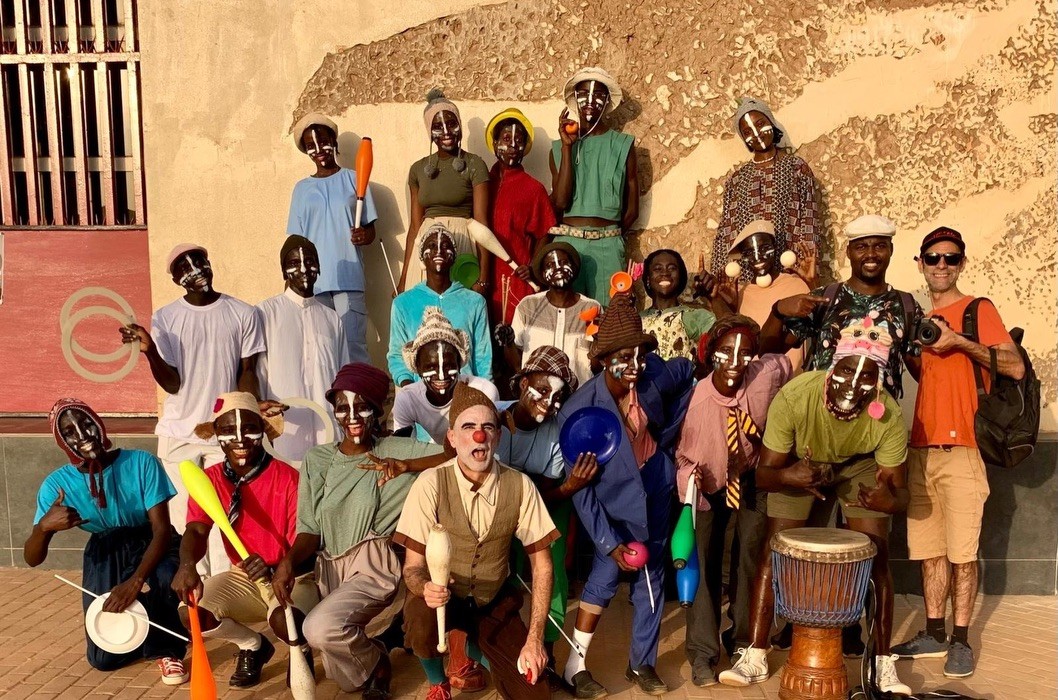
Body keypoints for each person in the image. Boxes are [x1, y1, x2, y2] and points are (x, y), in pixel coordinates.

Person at [718, 318, 912, 695]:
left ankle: (882, 664)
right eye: (844, 372)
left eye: (866, 378)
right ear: (830, 369)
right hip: (800, 463)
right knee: (774, 550)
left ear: (878, 381)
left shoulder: (887, 414)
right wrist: (793, 477)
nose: (852, 386)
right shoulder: (795, 397)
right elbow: (762, 475)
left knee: (878, 555)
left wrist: (888, 502)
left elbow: (901, 494)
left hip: (860, 463)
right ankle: (756, 653)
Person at [891, 227, 1025, 678]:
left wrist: (959, 342)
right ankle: (933, 630)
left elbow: (1014, 364)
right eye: (933, 258)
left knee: (962, 553)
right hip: (921, 449)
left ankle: (962, 638)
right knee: (930, 550)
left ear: (962, 262)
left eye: (951, 258)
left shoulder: (977, 310)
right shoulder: (921, 320)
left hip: (965, 448)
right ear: (921, 264)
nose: (942, 265)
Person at [273, 363, 446, 697]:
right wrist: (288, 562)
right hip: (330, 568)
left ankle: (378, 665)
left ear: (378, 412)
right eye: (343, 407)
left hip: (374, 566)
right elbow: (309, 528)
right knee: (347, 681)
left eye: (362, 406)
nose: (352, 416)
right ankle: (377, 652)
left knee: (319, 628)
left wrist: (407, 467)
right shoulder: (317, 459)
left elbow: (454, 453)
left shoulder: (395, 450)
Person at [559, 293, 695, 697]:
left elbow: (687, 371)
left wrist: (671, 439)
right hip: (612, 508)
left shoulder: (652, 376)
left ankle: (643, 664)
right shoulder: (579, 413)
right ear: (602, 361)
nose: (633, 365)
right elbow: (582, 494)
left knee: (651, 579)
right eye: (624, 357)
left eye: (638, 355)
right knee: (602, 579)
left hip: (654, 487)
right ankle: (573, 666)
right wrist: (609, 542)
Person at [394, 382, 559, 700]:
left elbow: (542, 566)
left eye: (488, 427)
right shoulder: (431, 484)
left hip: (491, 600)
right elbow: (413, 567)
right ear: (452, 438)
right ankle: (437, 680)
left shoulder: (520, 486)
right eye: (468, 427)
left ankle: (477, 647)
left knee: (534, 694)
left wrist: (535, 639)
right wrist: (423, 587)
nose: (479, 436)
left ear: (498, 436)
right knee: (419, 620)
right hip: (441, 601)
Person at [120, 243, 269, 576]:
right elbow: (172, 384)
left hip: (224, 435)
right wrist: (150, 351)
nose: (194, 269)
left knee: (224, 517)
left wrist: (251, 411)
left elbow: (247, 371)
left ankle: (222, 592)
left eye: (198, 260)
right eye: (183, 267)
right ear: (176, 280)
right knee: (184, 519)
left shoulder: (244, 313)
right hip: (179, 434)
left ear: (209, 263)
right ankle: (194, 595)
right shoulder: (166, 318)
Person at [24, 399, 187, 684]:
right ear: (62, 443)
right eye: (70, 432)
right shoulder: (56, 484)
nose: (83, 435)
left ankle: (167, 648)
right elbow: (32, 558)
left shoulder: (141, 462)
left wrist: (135, 582)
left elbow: (162, 530)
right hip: (105, 548)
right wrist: (44, 528)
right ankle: (151, 625)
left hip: (151, 539)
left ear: (99, 424)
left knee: (164, 576)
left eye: (86, 423)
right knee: (104, 657)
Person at [171, 393, 318, 689]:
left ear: (263, 430)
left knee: (284, 621)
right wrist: (187, 564)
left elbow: (308, 537)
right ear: (217, 435)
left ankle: (299, 649)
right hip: (244, 575)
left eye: (249, 428)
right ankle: (253, 645)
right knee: (193, 613)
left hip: (291, 576)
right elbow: (198, 530)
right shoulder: (211, 478)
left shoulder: (288, 477)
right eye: (228, 430)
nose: (240, 439)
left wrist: (282, 564)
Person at [675, 316, 792, 687]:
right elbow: (679, 453)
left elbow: (792, 360)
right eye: (727, 351)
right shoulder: (695, 400)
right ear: (711, 355)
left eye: (745, 352)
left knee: (750, 558)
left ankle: (743, 639)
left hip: (751, 480)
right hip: (707, 485)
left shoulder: (764, 376)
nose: (736, 360)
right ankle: (702, 652)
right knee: (704, 565)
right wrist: (687, 480)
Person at [499, 346, 596, 678]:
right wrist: (566, 487)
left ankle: (547, 652)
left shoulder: (558, 431)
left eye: (557, 396)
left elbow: (546, 491)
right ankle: (503, 645)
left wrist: (567, 489)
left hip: (546, 505)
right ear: (523, 382)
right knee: (500, 573)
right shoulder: (495, 420)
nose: (548, 401)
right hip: (497, 510)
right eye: (542, 389)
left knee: (552, 574)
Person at [761, 214, 921, 399]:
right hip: (824, 420)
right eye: (861, 247)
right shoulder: (824, 299)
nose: (871, 254)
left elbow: (922, 372)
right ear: (848, 252)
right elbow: (767, 353)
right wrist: (778, 310)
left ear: (891, 250)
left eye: (880, 246)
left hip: (878, 422)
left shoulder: (905, 305)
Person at [287, 113, 379, 362]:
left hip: (349, 280)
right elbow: (296, 242)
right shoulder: (301, 189)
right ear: (305, 150)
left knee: (354, 347)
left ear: (334, 141)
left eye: (323, 141)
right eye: (310, 145)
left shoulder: (354, 179)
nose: (319, 150)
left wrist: (363, 235)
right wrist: (291, 286)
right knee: (322, 352)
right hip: (313, 282)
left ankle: (361, 399)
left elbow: (370, 231)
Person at [256, 235, 349, 463]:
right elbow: (258, 372)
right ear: (283, 271)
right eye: (294, 263)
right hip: (283, 428)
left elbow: (343, 375)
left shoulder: (331, 318)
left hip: (326, 426)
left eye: (309, 261)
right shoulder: (265, 313)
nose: (304, 269)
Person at [550, 67, 639, 304]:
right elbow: (560, 202)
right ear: (574, 100)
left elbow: (632, 208)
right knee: (571, 315)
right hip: (569, 244)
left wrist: (609, 235)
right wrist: (567, 148)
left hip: (608, 245)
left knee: (610, 315)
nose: (590, 102)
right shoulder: (558, 149)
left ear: (607, 101)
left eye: (598, 95)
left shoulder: (623, 145)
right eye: (583, 95)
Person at [712, 97, 819, 283]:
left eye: (760, 124)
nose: (756, 134)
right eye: (747, 131)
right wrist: (722, 274)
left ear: (771, 122)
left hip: (789, 271)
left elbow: (807, 219)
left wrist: (804, 268)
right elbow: (727, 229)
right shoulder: (737, 179)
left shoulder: (796, 168)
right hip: (749, 276)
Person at [399, 89, 491, 294]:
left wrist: (484, 277)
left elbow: (483, 223)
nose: (446, 131)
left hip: (462, 242)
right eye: (437, 126)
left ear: (459, 124)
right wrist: (403, 278)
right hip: (426, 247)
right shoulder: (417, 169)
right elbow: (414, 227)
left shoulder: (475, 164)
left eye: (451, 123)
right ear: (429, 132)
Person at [389, 224, 492, 385]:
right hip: (421, 394)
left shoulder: (475, 302)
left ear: (454, 257)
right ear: (422, 256)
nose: (438, 251)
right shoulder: (403, 304)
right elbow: (397, 355)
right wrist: (411, 389)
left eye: (445, 246)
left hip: (464, 392)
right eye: (431, 246)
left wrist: (481, 392)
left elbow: (483, 356)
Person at [495, 241, 600, 387]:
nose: (558, 268)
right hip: (537, 395)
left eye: (564, 263)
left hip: (578, 395)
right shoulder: (527, 306)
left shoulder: (592, 308)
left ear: (574, 268)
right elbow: (517, 365)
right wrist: (508, 343)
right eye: (550, 265)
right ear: (543, 275)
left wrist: (598, 339)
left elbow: (595, 367)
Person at [486, 108, 556, 324]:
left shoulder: (533, 189)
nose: (513, 146)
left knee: (513, 339)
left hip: (516, 279)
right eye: (506, 139)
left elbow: (546, 232)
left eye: (519, 140)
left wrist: (533, 266)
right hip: (484, 276)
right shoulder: (482, 184)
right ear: (495, 142)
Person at [712, 220, 812, 368]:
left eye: (764, 248)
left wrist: (813, 284)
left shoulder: (797, 284)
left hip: (791, 382)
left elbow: (816, 323)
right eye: (749, 253)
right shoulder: (738, 293)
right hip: (751, 382)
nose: (758, 257)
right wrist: (730, 306)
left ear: (775, 248)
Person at [392, 307, 500, 445]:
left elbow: (483, 447)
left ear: (459, 364)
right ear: (418, 369)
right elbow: (404, 449)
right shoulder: (407, 399)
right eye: (431, 367)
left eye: (449, 366)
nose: (441, 375)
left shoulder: (484, 392)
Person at [639, 248, 716, 362]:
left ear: (680, 278)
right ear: (648, 279)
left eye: (672, 268)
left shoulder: (695, 316)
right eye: (657, 269)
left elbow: (727, 335)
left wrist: (716, 298)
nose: (665, 273)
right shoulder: (637, 319)